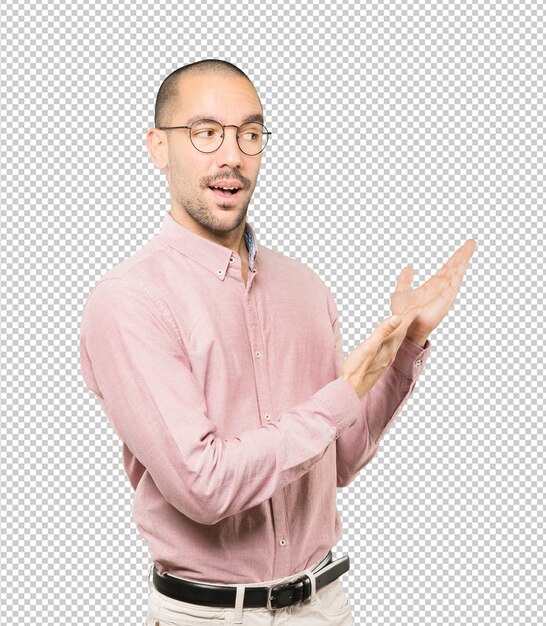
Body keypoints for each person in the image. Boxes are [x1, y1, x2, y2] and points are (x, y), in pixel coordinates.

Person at [79, 59, 476, 625]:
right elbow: (205, 486)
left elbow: (336, 457)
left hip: (325, 606)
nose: (232, 155)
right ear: (158, 148)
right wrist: (343, 393)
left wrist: (405, 348)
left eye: (250, 133)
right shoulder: (129, 301)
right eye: (205, 132)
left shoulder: (306, 288)